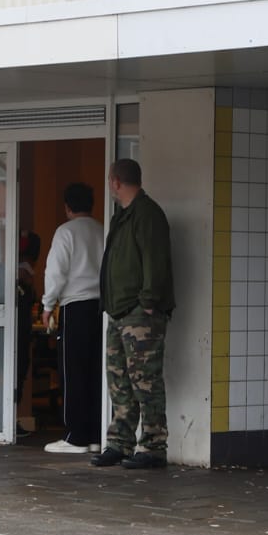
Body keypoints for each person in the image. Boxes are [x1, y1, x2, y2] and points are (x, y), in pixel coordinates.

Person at [92, 159, 174, 470]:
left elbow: (155, 260)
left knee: (145, 380)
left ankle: (153, 446)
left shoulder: (147, 214)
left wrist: (148, 302)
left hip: (139, 314)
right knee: (119, 381)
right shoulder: (123, 215)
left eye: (109, 181)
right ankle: (120, 443)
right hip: (119, 311)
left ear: (115, 182)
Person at [40, 183, 104, 455]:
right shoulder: (102, 230)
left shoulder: (65, 232)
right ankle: (95, 435)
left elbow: (55, 271)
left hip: (74, 306)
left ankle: (75, 436)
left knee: (73, 372)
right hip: (101, 308)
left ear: (67, 207)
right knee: (95, 372)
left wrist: (47, 305)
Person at [13, 231, 42, 434]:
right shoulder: (21, 274)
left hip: (22, 329)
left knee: (20, 370)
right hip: (18, 329)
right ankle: (10, 418)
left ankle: (12, 418)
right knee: (17, 370)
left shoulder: (23, 275)